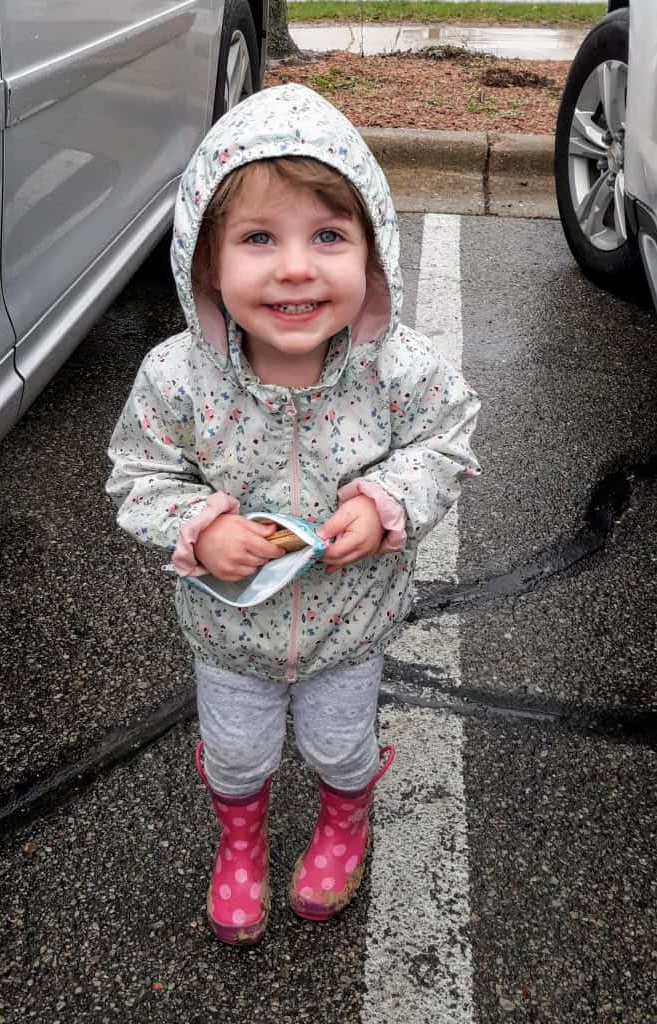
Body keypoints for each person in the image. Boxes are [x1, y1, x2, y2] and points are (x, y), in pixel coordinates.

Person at [106, 84, 481, 945]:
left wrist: (388, 501)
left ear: (373, 250)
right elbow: (138, 474)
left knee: (338, 746)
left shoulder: (399, 369)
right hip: (228, 632)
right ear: (204, 263)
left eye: (328, 237)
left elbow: (447, 439)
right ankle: (239, 845)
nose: (296, 269)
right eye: (257, 239)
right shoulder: (176, 378)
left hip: (350, 624)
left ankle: (343, 820)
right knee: (238, 755)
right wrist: (195, 524)